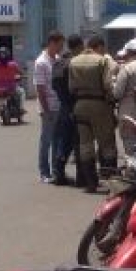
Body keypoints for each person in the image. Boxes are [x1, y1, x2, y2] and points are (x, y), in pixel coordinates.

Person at [69, 35, 118, 194]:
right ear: (100, 46)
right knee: (107, 144)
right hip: (99, 105)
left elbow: (71, 87)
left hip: (80, 105)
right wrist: (111, 101)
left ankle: (90, 183)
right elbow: (107, 84)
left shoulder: (74, 61)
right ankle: (111, 181)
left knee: (85, 145)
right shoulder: (101, 60)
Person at [51, 35, 85, 186]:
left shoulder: (58, 62)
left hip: (63, 106)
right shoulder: (75, 63)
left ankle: (59, 174)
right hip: (75, 104)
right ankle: (81, 177)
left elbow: (54, 85)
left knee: (63, 142)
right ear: (78, 47)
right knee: (78, 142)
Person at [34, 32, 66, 184]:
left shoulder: (58, 60)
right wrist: (46, 110)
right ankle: (44, 172)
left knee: (57, 141)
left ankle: (55, 171)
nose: (61, 48)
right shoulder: (41, 62)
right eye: (60, 44)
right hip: (48, 108)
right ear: (52, 43)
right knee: (46, 141)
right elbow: (40, 88)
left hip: (60, 105)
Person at [0, 46, 22, 110]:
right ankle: (20, 108)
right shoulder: (13, 64)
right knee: (21, 92)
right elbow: (19, 72)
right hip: (11, 87)